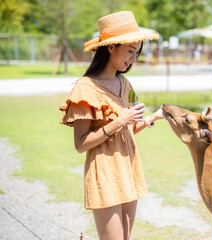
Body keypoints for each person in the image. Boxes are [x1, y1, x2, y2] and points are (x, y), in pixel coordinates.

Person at [59, 11, 162, 240]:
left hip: (129, 169)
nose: (133, 59)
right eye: (130, 51)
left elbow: (128, 131)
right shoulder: (85, 89)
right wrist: (120, 121)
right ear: (110, 47)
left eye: (136, 53)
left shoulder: (124, 83)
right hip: (105, 173)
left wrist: (151, 118)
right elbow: (81, 144)